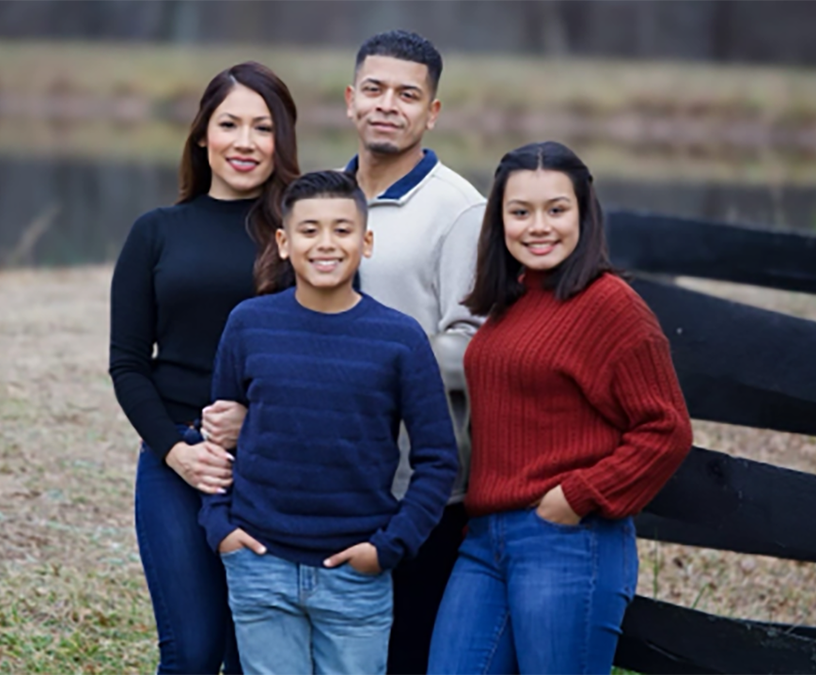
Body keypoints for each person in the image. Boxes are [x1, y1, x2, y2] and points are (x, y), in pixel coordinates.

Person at [427, 141, 694, 675]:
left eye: (556, 209)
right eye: (520, 212)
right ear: (499, 219)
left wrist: (576, 496)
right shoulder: (511, 301)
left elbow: (666, 429)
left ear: (583, 213)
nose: (538, 226)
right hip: (485, 540)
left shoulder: (609, 304)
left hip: (567, 542)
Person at [200, 170, 459, 675]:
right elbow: (218, 438)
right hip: (259, 564)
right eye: (309, 229)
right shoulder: (248, 324)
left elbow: (437, 459)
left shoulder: (400, 339)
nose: (325, 243)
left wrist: (388, 547)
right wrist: (220, 526)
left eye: (342, 230)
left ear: (366, 241)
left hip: (356, 574)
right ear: (283, 242)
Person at [108, 62, 299, 675]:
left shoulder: (300, 237)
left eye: (262, 128)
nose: (245, 142)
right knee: (191, 652)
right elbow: (128, 364)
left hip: (271, 463)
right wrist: (174, 451)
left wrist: (258, 419)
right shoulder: (156, 233)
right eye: (229, 124)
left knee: (253, 657)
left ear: (281, 142)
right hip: (175, 461)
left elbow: (324, 352)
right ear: (201, 135)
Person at [342, 30, 486, 673]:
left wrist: (374, 360)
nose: (387, 105)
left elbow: (477, 345)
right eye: (374, 89)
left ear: (431, 113)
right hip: (327, 476)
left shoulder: (460, 211)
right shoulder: (323, 197)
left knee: (404, 655)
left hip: (418, 488)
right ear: (350, 100)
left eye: (408, 95)